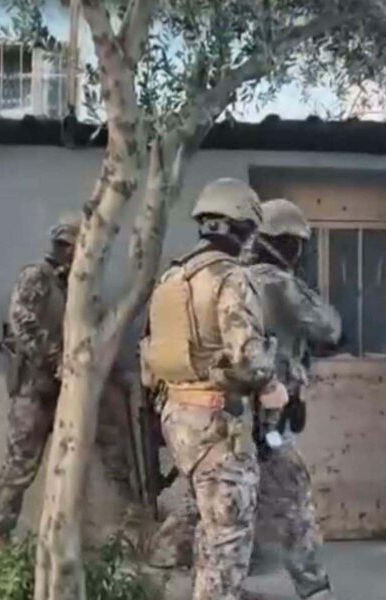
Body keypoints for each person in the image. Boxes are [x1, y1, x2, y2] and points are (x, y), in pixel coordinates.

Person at [139, 178, 280, 600]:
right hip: (218, 420)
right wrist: (272, 385)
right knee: (229, 538)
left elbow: (151, 355)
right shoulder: (229, 278)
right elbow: (249, 358)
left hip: (178, 418)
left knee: (210, 527)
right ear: (241, 224)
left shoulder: (173, 276)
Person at [0, 217, 140, 553]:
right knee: (20, 464)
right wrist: (58, 359)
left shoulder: (82, 283)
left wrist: (109, 369)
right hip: (38, 387)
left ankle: (133, 527)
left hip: (79, 385)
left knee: (114, 451)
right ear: (68, 246)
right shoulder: (36, 277)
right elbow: (22, 326)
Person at [244, 198, 341, 600]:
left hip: (226, 420)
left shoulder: (231, 278)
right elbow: (329, 327)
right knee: (294, 503)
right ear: (285, 242)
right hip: (268, 425)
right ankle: (314, 588)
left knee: (219, 506)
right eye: (297, 243)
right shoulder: (277, 283)